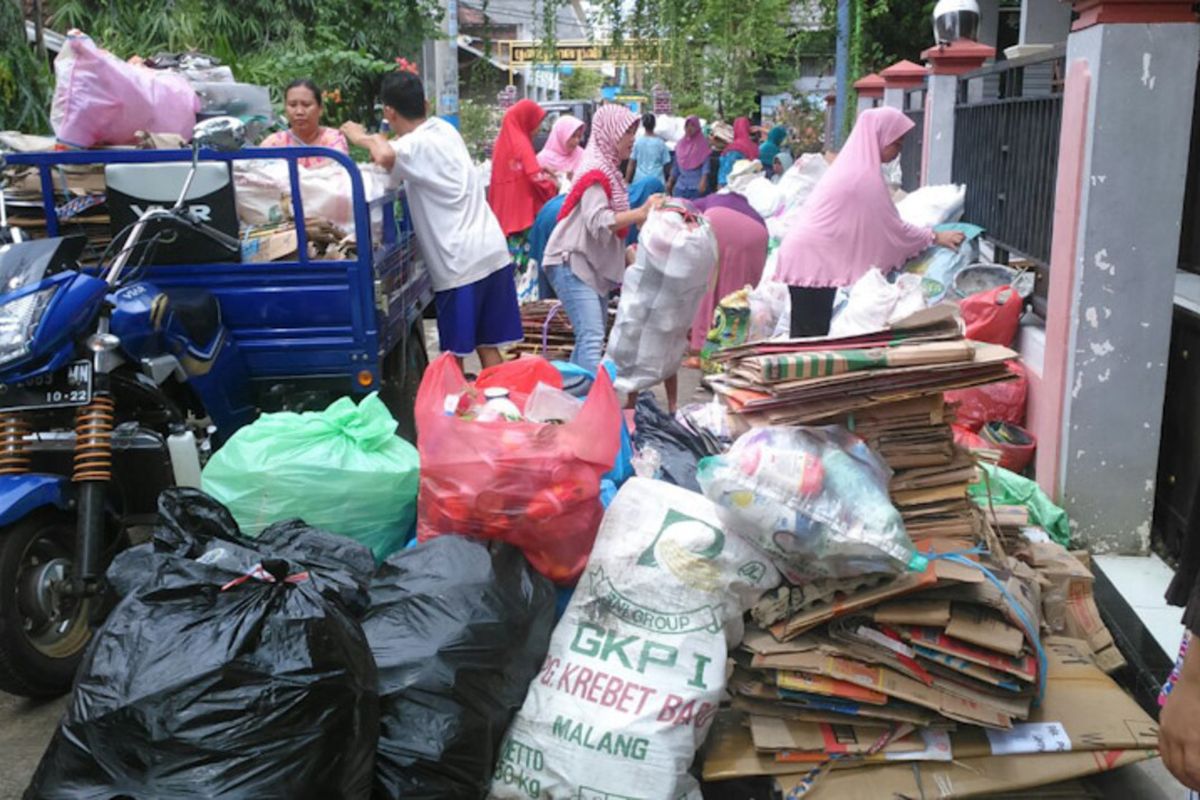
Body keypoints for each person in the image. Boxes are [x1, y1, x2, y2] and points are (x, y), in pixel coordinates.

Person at [341, 71, 519, 370]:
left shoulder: (411, 147)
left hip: (459, 263)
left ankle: (455, 413)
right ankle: (503, 412)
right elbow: (392, 165)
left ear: (389, 112)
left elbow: (384, 156)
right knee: (488, 349)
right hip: (492, 252)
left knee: (453, 361)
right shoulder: (444, 130)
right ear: (425, 104)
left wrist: (360, 136)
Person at [775, 107, 965, 338]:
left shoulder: (854, 167)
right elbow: (891, 228)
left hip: (809, 256)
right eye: (897, 144)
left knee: (810, 331)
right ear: (879, 137)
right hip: (812, 258)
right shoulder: (863, 177)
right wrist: (934, 236)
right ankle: (800, 373)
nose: (899, 151)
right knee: (810, 336)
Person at [542, 105, 660, 391]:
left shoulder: (610, 171)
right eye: (626, 133)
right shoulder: (596, 170)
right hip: (571, 261)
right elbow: (599, 221)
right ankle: (581, 406)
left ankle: (568, 399)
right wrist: (641, 213)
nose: (632, 139)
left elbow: (612, 232)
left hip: (588, 264)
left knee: (590, 338)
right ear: (610, 134)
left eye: (633, 132)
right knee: (592, 337)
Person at [488, 99, 558, 303]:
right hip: (522, 218)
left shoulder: (505, 141)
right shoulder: (521, 143)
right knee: (525, 271)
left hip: (506, 216)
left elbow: (521, 172)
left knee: (511, 268)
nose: (538, 129)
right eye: (536, 123)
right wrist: (554, 185)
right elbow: (534, 179)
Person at [689, 203, 769, 355]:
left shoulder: (686, 213)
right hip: (758, 231)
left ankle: (700, 348)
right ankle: (732, 348)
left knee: (707, 288)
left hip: (716, 223)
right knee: (737, 293)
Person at [260, 79, 349, 168]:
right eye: (292, 105)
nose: (299, 112)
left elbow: (335, 165)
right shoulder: (273, 143)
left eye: (306, 105)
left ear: (320, 109)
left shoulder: (334, 138)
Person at [667, 116, 712, 200]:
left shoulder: (703, 145)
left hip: (696, 187)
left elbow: (706, 167)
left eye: (692, 125)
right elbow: (675, 166)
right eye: (687, 126)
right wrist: (670, 181)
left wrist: (703, 182)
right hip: (681, 187)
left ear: (697, 127)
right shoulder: (680, 144)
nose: (689, 128)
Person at [537, 115, 586, 181]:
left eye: (579, 136)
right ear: (561, 134)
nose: (576, 141)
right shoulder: (542, 159)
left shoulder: (582, 155)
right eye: (573, 136)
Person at [626, 113, 672, 186]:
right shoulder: (661, 143)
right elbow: (667, 165)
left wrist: (626, 182)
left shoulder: (638, 143)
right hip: (657, 182)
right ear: (654, 125)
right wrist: (670, 181)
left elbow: (631, 164)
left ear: (643, 125)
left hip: (640, 182)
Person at [716, 117, 758, 188]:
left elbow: (726, 170)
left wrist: (720, 186)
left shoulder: (733, 147)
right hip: (748, 186)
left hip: (731, 186)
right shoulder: (754, 147)